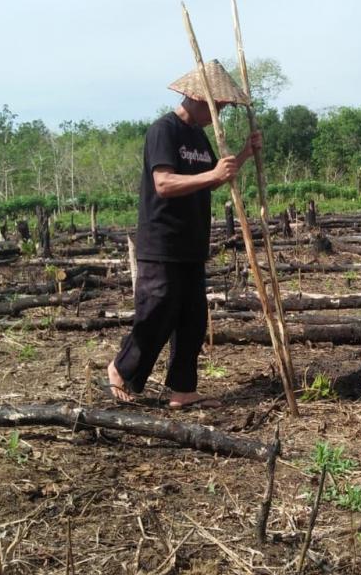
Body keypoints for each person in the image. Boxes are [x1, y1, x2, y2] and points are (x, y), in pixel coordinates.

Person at [107, 62, 261, 407]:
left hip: (192, 241)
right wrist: (214, 175)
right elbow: (164, 183)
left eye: (223, 106)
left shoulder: (199, 137)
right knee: (158, 308)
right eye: (215, 104)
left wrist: (245, 156)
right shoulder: (165, 130)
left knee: (192, 318)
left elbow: (213, 177)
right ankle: (121, 369)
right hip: (162, 240)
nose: (219, 111)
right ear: (193, 96)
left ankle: (183, 390)